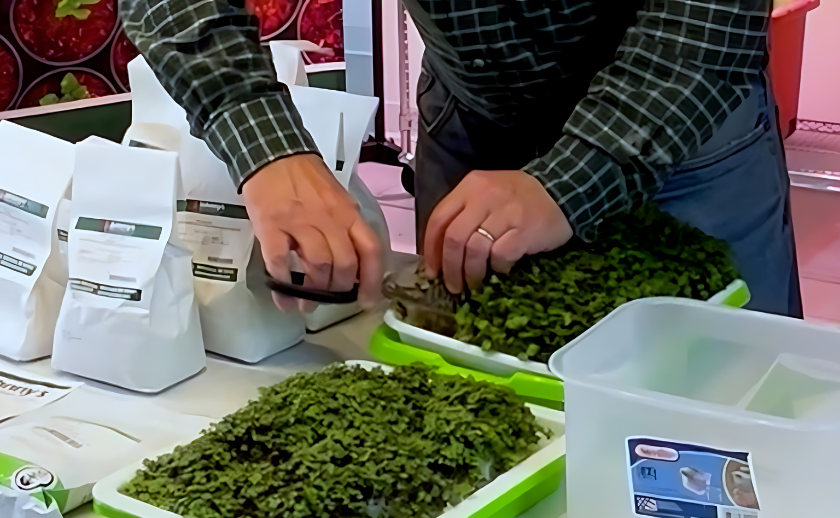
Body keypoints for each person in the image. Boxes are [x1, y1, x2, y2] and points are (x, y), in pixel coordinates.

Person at [121, 0, 801, 317]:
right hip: (473, 113)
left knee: (727, 428)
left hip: (677, 124)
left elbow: (710, 17)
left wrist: (572, 178)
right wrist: (270, 152)